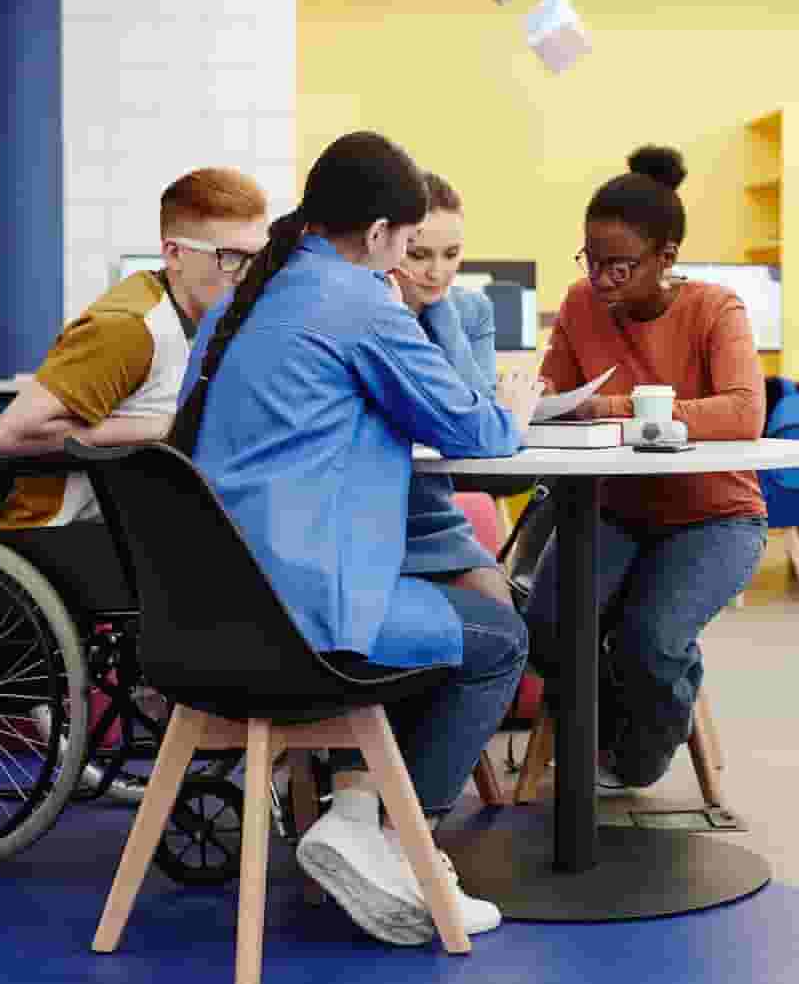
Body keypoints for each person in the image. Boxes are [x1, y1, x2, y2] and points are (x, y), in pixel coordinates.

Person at [175, 132, 542, 945]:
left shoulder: (245, 298)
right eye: (410, 246)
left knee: (438, 606)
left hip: (204, 614)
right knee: (495, 636)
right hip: (301, 620)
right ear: (377, 235)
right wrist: (512, 408)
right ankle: (396, 846)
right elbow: (472, 427)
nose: (412, 265)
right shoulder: (357, 301)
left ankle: (355, 812)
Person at [523, 145, 768, 793]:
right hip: (613, 509)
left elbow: (743, 413)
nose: (601, 280)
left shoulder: (715, 309)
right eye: (592, 262)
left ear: (665, 257)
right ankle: (623, 711)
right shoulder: (581, 305)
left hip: (713, 518)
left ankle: (638, 744)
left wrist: (610, 407)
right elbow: (555, 393)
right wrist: (526, 398)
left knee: (649, 642)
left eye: (618, 266)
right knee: (548, 627)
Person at [0, 166, 269, 526]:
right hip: (61, 537)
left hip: (130, 525)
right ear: (174, 254)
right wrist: (162, 428)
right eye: (231, 257)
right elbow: (12, 433)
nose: (248, 276)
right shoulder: (128, 327)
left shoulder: (205, 321)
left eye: (258, 258)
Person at [393, 170, 512, 606]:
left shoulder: (472, 309)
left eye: (451, 254)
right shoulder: (368, 308)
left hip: (433, 508)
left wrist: (441, 308)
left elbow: (477, 411)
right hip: (378, 505)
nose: (436, 270)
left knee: (501, 604)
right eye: (420, 254)